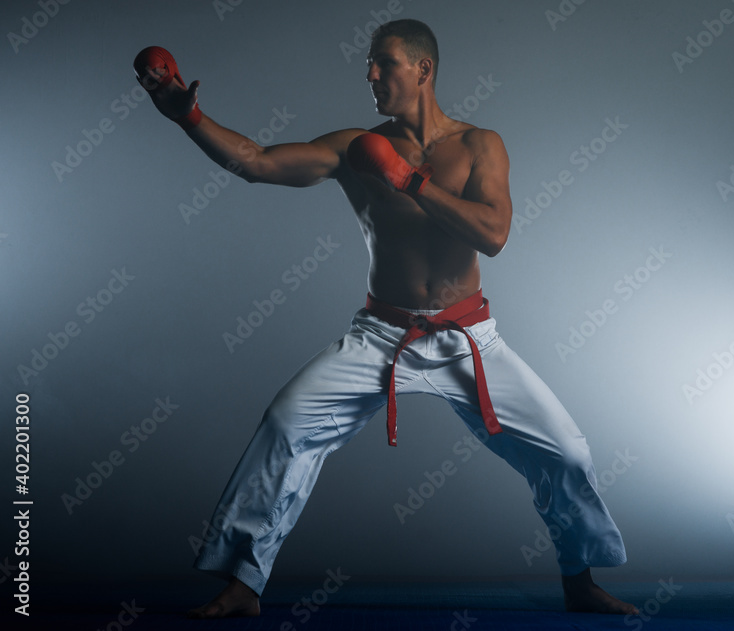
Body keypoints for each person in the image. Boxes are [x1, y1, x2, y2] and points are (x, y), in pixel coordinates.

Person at [134, 19, 638, 619]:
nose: (370, 75)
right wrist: (188, 118)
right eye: (368, 65)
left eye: (384, 63)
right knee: (284, 426)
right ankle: (244, 583)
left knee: (567, 454)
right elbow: (257, 162)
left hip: (467, 338)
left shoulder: (481, 145)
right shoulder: (355, 147)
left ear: (423, 69)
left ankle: (579, 580)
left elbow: (494, 234)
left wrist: (409, 180)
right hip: (381, 337)